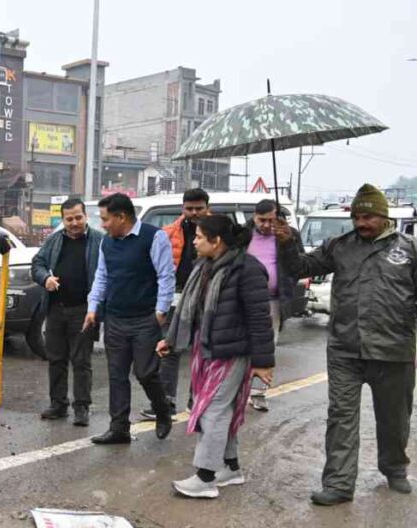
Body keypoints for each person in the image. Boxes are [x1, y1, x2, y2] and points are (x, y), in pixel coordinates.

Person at [276, 183, 415, 505]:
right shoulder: (339, 246)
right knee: (341, 416)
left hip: (394, 350)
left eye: (368, 217)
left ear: (384, 216)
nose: (362, 223)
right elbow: (300, 268)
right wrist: (286, 243)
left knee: (394, 417)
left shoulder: (408, 249)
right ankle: (339, 484)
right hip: (345, 349)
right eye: (357, 217)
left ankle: (394, 468)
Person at [158, 215, 275, 498]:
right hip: (207, 349)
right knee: (221, 410)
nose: (195, 241)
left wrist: (262, 362)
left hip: (232, 352)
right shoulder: (204, 267)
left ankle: (206, 477)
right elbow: (191, 310)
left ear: (216, 241)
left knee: (213, 411)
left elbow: (260, 318)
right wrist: (171, 340)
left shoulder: (247, 270)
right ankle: (230, 467)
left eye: (199, 237)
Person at [85, 193, 175, 443]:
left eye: (105, 219)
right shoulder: (107, 242)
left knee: (145, 373)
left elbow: (165, 276)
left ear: (121, 217)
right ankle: (119, 428)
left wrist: (160, 312)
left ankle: (162, 411)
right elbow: (102, 277)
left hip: (145, 318)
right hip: (115, 318)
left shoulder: (154, 237)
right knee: (117, 374)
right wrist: (93, 308)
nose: (102, 225)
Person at [30, 198, 104, 426]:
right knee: (56, 358)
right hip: (56, 309)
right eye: (69, 219)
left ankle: (81, 407)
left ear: (86, 217)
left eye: (78, 218)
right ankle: (58, 404)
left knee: (81, 361)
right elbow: (37, 264)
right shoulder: (54, 240)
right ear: (63, 220)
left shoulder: (99, 241)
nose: (74, 223)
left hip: (84, 310)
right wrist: (46, 279)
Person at [141, 188, 210, 420]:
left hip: (206, 298)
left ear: (207, 208)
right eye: (189, 208)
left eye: (198, 208)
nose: (194, 212)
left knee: (202, 350)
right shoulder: (169, 232)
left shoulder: (218, 232)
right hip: (175, 297)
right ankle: (166, 402)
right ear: (183, 208)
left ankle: (197, 401)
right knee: (169, 349)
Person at [244, 199, 304, 411]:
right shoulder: (243, 234)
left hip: (273, 300)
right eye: (262, 220)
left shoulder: (289, 235)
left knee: (268, 343)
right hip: (244, 299)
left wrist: (286, 242)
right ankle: (239, 388)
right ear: (254, 217)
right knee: (242, 343)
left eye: (271, 220)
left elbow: (298, 266)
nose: (267, 225)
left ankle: (258, 392)